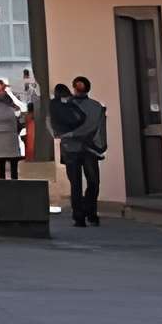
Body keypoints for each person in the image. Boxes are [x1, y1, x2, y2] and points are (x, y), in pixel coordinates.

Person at [52, 75, 109, 227]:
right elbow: (95, 127)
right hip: (88, 148)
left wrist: (66, 135)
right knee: (91, 182)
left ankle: (80, 216)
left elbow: (54, 124)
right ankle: (88, 213)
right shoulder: (95, 106)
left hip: (73, 148)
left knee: (77, 183)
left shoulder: (64, 106)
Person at [0, 77, 29, 181]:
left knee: (14, 169)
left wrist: (18, 115)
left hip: (11, 139)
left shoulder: (13, 102)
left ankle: (14, 186)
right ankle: (2, 186)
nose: (0, 93)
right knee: (1, 170)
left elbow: (21, 118)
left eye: (1, 90)